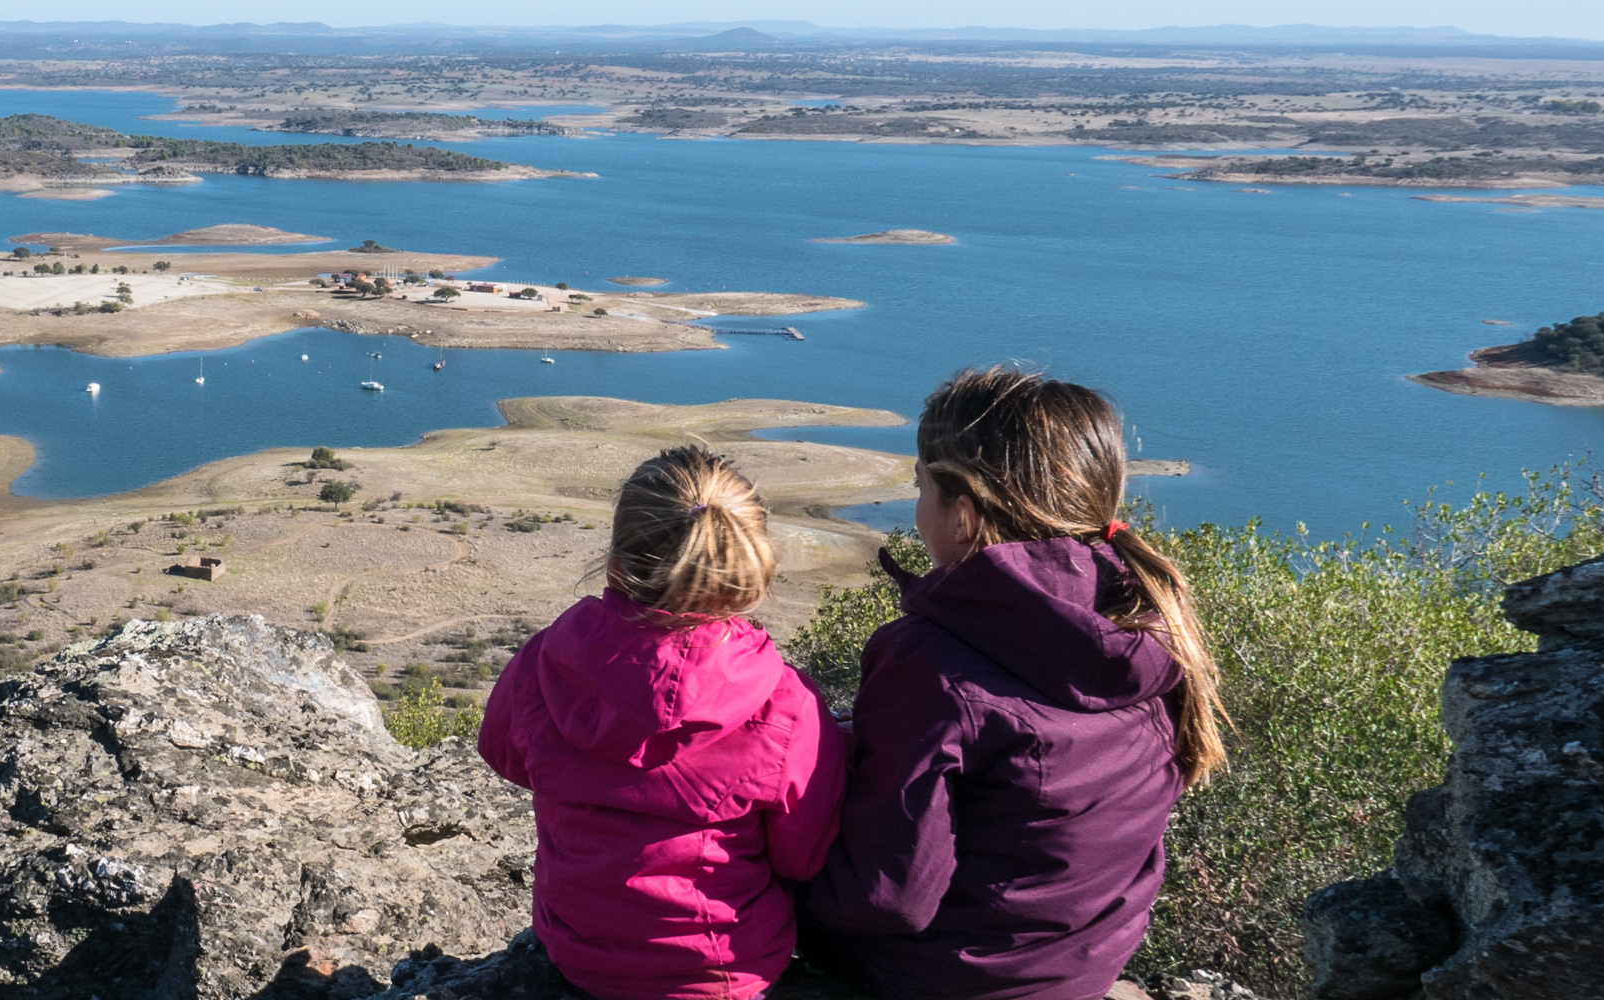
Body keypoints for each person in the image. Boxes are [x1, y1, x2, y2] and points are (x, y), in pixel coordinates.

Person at [803, 368, 1228, 1000]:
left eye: (921, 486)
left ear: (964, 516)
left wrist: (773, 870)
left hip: (943, 979)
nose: (916, 505)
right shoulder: (1150, 624)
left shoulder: (929, 659)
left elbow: (886, 898)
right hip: (1079, 970)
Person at [479, 445, 849, 1000]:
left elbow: (503, 753)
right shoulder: (784, 703)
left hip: (576, 951)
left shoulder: (546, 661)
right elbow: (804, 854)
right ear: (748, 568)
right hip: (724, 969)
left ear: (619, 564)